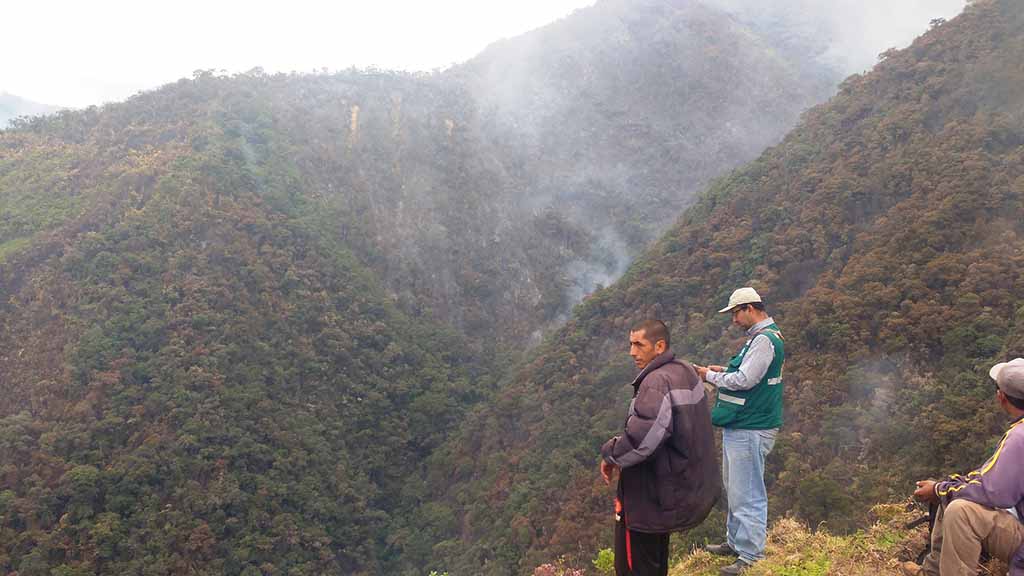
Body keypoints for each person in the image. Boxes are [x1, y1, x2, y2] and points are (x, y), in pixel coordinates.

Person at [601, 319, 720, 576]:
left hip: (648, 496)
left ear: (659, 346)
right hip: (671, 490)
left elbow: (641, 441)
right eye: (630, 344)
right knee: (655, 563)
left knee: (634, 567)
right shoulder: (685, 371)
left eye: (638, 344)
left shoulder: (656, 382)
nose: (632, 352)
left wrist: (609, 453)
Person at [900, 358, 1024, 576]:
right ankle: (933, 571)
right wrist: (945, 487)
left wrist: (939, 489)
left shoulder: (1019, 437)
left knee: (961, 510)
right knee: (952, 491)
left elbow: (994, 492)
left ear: (1001, 397)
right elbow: (993, 478)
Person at [692, 287, 785, 576]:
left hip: (751, 427)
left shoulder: (764, 341)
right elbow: (749, 374)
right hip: (742, 424)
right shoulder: (760, 339)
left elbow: (745, 380)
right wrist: (722, 371)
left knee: (748, 492)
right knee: (735, 486)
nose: (734, 320)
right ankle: (735, 542)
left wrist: (709, 376)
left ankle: (751, 555)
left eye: (735, 313)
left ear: (749, 308)